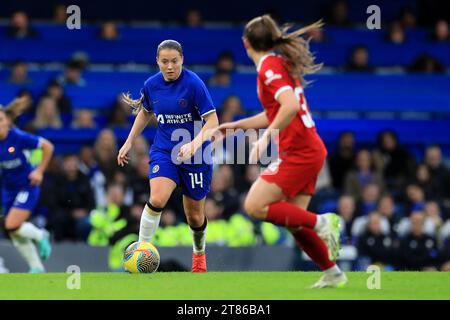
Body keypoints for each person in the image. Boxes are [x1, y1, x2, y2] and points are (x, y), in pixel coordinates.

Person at [218, 15, 346, 288]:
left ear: (245, 44)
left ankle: (324, 222)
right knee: (293, 222)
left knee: (254, 205)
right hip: (309, 149)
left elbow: (289, 107)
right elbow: (275, 111)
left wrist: (265, 138)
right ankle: (333, 273)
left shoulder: (268, 68)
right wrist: (238, 125)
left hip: (299, 152)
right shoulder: (277, 64)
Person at [118, 40, 219, 272]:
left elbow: (213, 122)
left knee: (194, 216)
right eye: (165, 61)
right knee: (157, 199)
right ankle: (142, 251)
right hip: (164, 151)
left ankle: (199, 254)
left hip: (196, 156)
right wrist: (129, 142)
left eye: (174, 61)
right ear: (158, 62)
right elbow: (145, 113)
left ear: (182, 59)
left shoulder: (194, 84)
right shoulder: (151, 85)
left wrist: (194, 145)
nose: (170, 66)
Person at [0, 98, 54, 273]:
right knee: (14, 231)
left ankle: (41, 235)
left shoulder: (18, 137)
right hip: (8, 190)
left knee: (10, 225)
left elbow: (48, 146)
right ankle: (36, 267)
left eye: (0, 120)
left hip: (27, 186)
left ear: (7, 121)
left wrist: (39, 171)